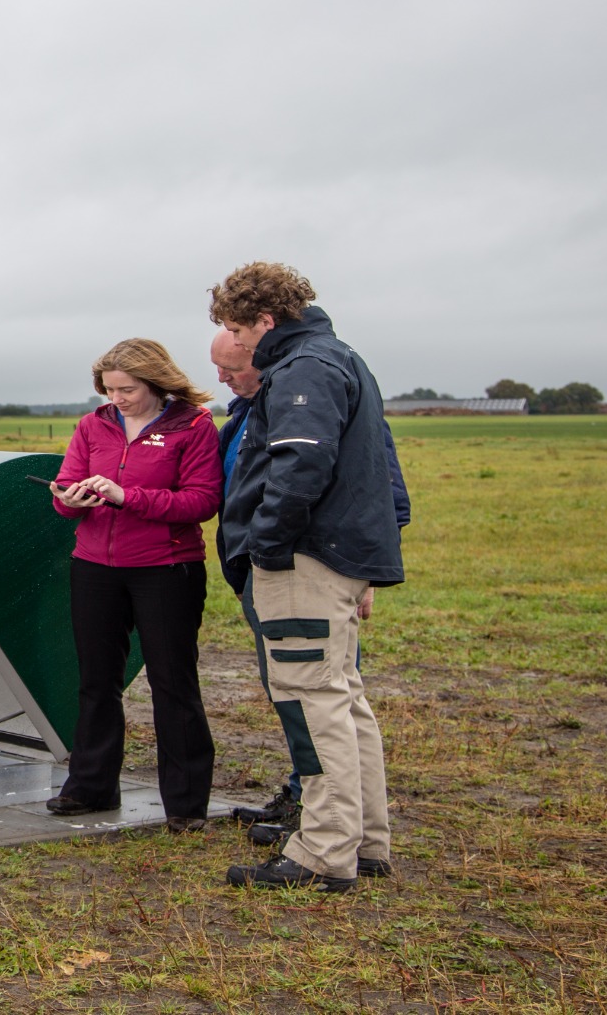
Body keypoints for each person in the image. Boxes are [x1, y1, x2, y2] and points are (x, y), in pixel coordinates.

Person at [212, 262, 403, 893]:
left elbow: (300, 465)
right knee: (344, 698)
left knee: (311, 702)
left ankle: (323, 851)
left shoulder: (303, 368)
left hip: (305, 560)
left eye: (238, 329)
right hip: (338, 555)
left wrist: (266, 546)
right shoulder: (341, 358)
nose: (237, 342)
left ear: (265, 320)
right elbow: (381, 468)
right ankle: (363, 840)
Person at [43, 338, 222, 833]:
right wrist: (69, 498)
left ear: (156, 383)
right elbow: (65, 490)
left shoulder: (194, 427)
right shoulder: (92, 425)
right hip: (94, 566)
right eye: (109, 389)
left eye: (127, 390)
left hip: (167, 569)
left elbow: (202, 501)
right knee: (96, 681)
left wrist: (128, 497)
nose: (116, 399)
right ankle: (90, 787)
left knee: (173, 683)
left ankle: (185, 804)